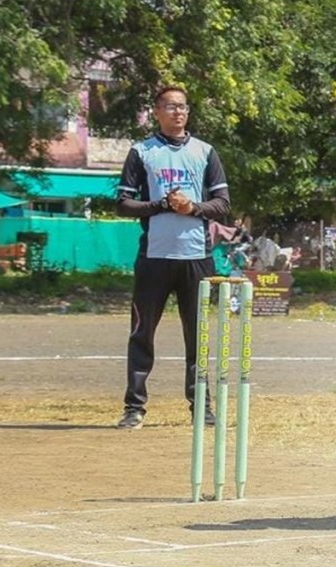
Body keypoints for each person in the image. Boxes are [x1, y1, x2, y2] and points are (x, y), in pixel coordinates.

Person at [114, 86, 230, 429]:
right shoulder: (142, 152)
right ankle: (134, 408)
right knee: (141, 333)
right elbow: (123, 204)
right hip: (155, 256)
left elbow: (222, 205)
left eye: (182, 107)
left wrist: (192, 207)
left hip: (196, 256)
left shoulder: (204, 152)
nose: (177, 112)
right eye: (170, 106)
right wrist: (162, 204)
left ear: (188, 112)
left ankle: (201, 407)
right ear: (157, 111)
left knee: (198, 336)